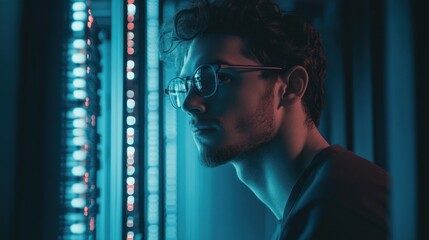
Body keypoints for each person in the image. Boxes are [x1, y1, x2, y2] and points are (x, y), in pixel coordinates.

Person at [161, 0, 390, 239]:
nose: (189, 103)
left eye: (214, 78)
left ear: (291, 87)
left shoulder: (337, 213)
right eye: (187, 84)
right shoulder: (311, 209)